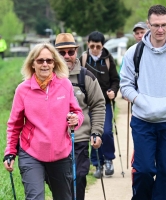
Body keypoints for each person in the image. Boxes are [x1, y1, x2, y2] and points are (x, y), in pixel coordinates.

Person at [120, 5, 166, 200]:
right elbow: (125, 85)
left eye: (164, 25)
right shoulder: (133, 53)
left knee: (165, 172)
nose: (160, 30)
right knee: (143, 169)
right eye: (155, 25)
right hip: (142, 121)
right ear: (148, 25)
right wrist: (139, 100)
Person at [3, 42, 84, 200]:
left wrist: (76, 119)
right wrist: (10, 152)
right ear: (33, 63)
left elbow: (77, 112)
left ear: (54, 63)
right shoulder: (22, 90)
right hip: (31, 153)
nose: (45, 64)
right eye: (40, 61)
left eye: (49, 60)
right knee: (35, 197)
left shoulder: (65, 85)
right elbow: (14, 125)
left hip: (61, 154)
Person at [54, 33, 105, 199]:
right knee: (60, 183)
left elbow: (98, 104)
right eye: (62, 53)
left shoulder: (86, 77)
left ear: (76, 51)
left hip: (79, 139)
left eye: (70, 52)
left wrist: (96, 132)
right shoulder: (47, 77)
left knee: (79, 178)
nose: (67, 56)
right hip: (54, 141)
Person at [79, 31, 120, 178]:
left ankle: (109, 159)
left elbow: (116, 79)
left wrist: (113, 91)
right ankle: (97, 164)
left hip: (105, 103)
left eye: (98, 46)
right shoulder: (83, 59)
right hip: (87, 104)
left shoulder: (108, 60)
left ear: (102, 46)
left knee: (107, 131)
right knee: (92, 134)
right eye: (92, 46)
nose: (95, 49)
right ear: (88, 44)